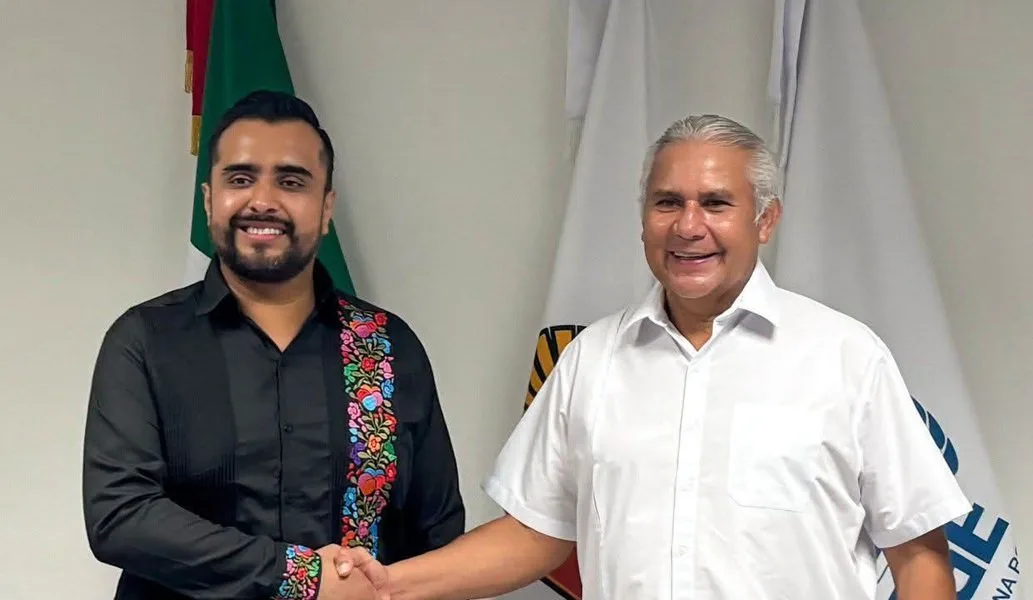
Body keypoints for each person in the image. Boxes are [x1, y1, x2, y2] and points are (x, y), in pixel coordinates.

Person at [336, 114, 972, 599]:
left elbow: (916, 551)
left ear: (766, 220)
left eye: (716, 203)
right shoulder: (591, 360)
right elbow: (536, 534)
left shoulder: (845, 356)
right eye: (667, 202)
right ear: (643, 220)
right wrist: (386, 585)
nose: (688, 226)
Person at [82, 89, 465, 600]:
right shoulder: (145, 341)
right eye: (240, 178)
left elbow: (438, 534)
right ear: (208, 200)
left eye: (291, 181)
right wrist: (302, 577)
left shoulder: (389, 347)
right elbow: (121, 516)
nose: (263, 199)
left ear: (326, 207)